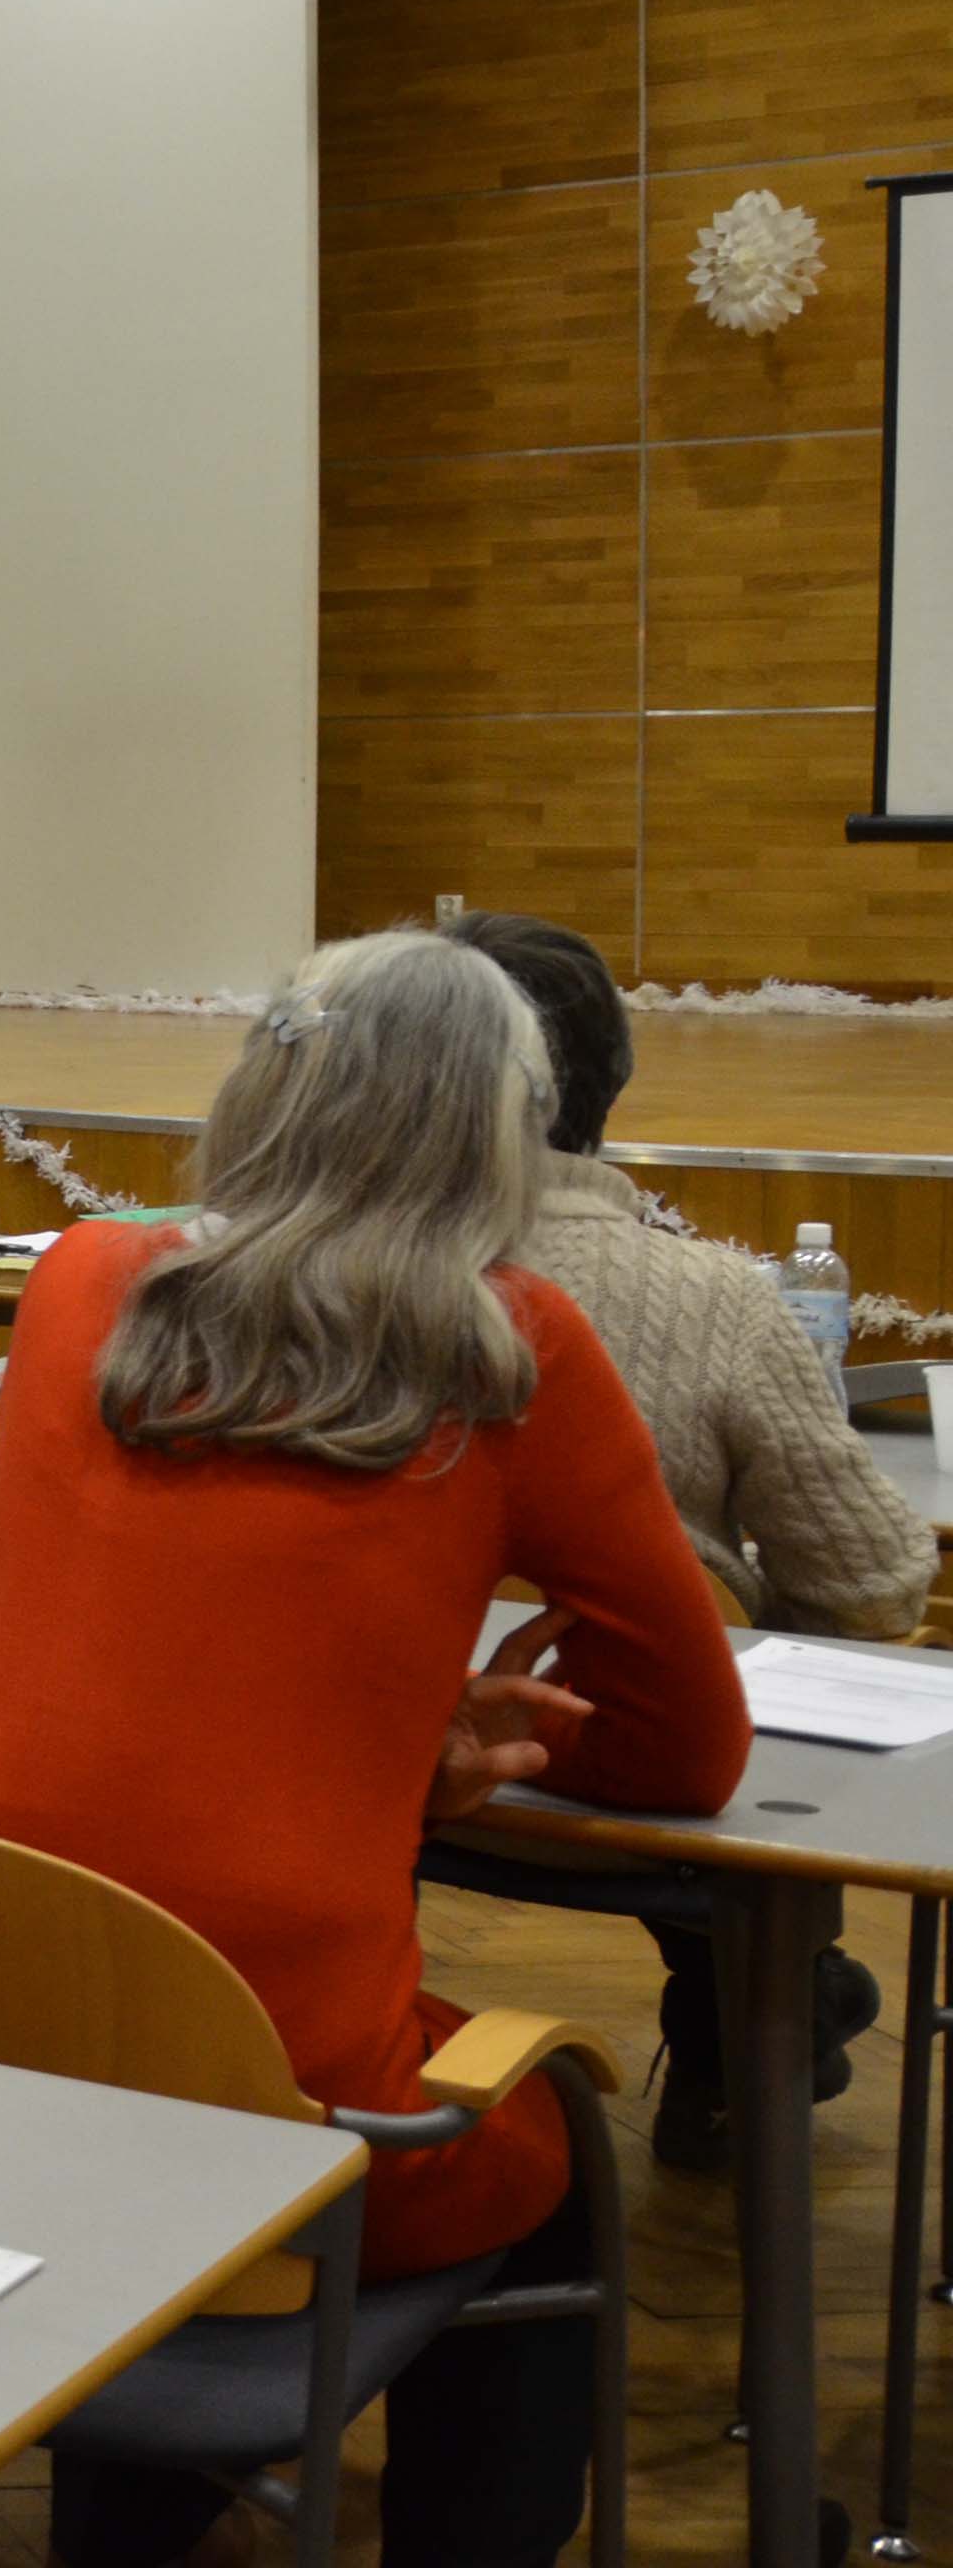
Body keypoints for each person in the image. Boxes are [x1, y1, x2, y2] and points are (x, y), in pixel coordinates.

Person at [0, 931, 749, 2568]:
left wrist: (380, 1734)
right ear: (500, 1134)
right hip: (279, 2095)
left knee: (145, 2055)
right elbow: (687, 1746)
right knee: (553, 2160)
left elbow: (179, 1655)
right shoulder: (508, 1346)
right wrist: (422, 1741)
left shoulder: (82, 1279)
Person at [443, 909, 916, 2166]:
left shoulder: (302, 1284)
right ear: (607, 1080)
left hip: (370, 1768)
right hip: (635, 1772)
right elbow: (875, 1587)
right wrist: (726, 1604)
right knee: (729, 1652)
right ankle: (739, 2032)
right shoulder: (717, 1301)